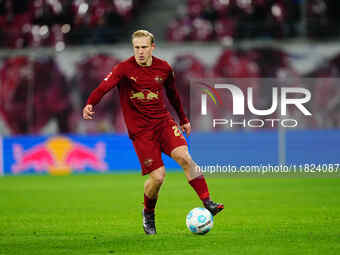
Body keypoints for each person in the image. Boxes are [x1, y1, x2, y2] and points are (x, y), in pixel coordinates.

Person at [83, 30, 224, 235]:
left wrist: (183, 119)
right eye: (136, 47)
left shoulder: (164, 68)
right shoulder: (123, 69)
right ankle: (148, 213)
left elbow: (173, 95)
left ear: (152, 47)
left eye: (143, 47)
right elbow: (104, 87)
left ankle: (207, 202)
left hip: (163, 123)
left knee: (185, 157)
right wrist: (90, 104)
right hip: (141, 131)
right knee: (158, 177)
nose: (140, 52)